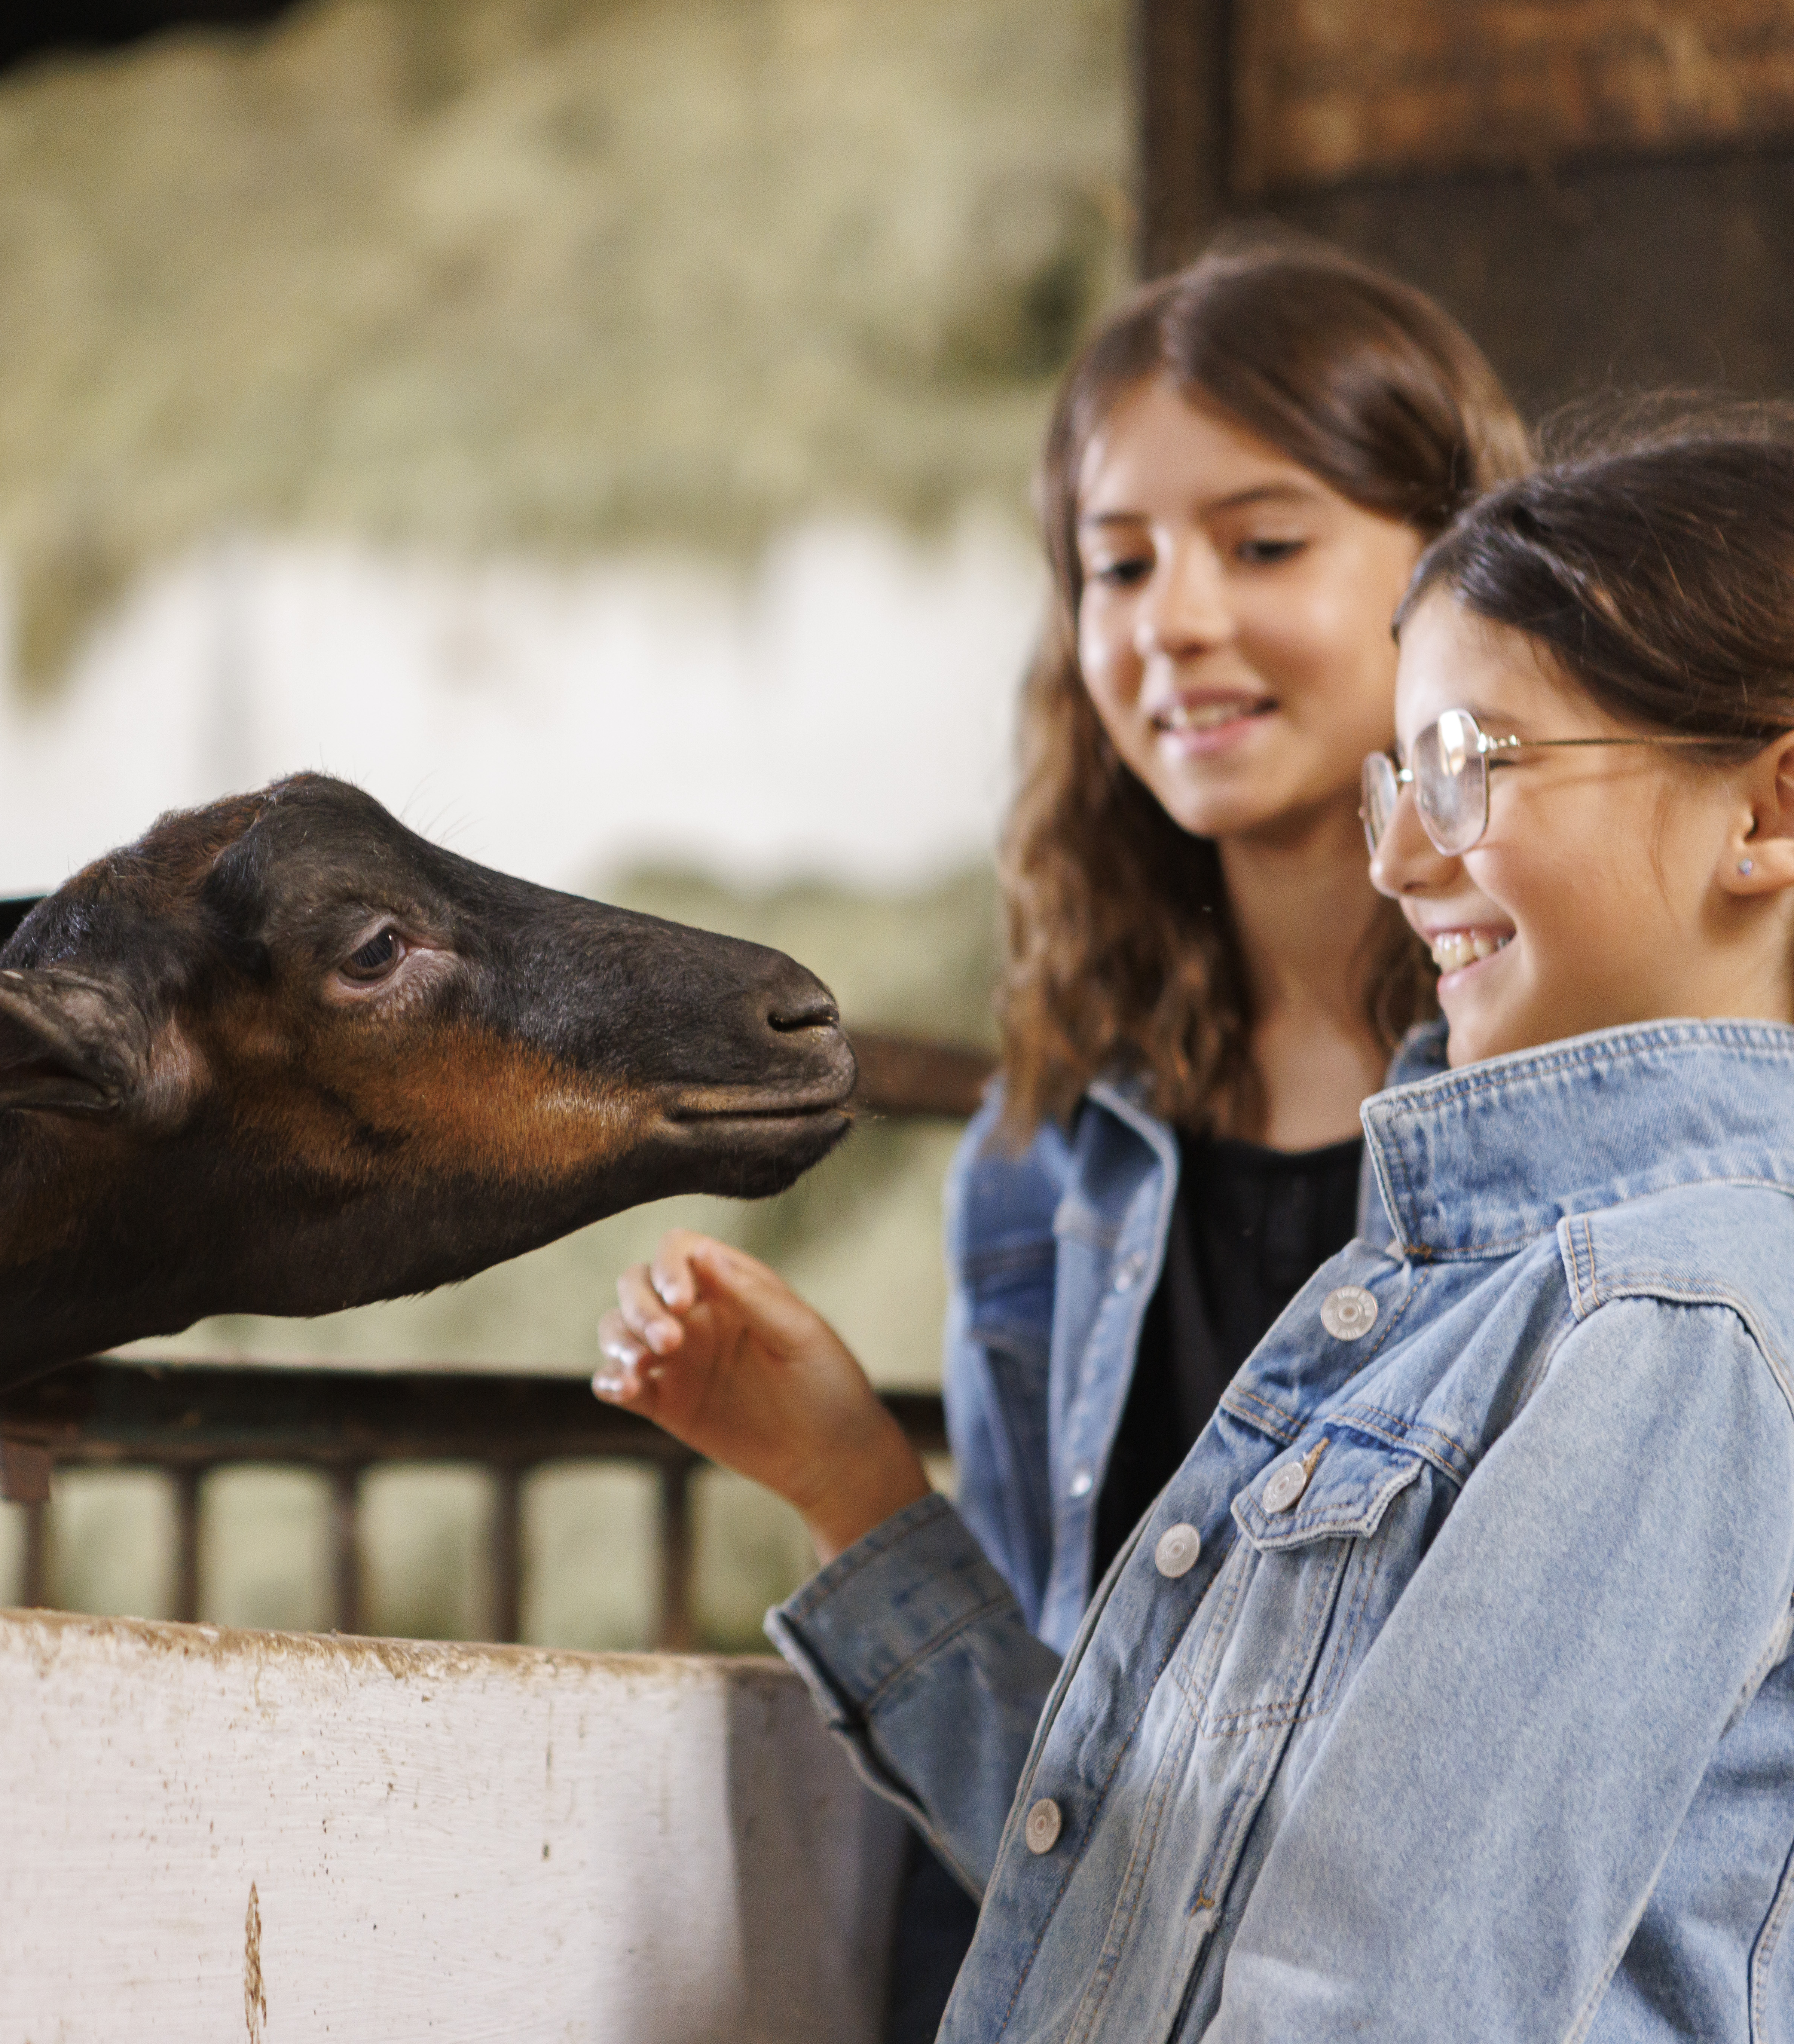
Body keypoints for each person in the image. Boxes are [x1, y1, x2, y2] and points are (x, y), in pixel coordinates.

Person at [600, 416, 1794, 2033]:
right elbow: (1156, 1911)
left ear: (1781, 812)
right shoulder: (1519, 1293)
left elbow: (1367, 2001)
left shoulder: (1674, 1329)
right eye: (1402, 774)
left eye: (1471, 765)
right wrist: (851, 1490)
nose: (1393, 851)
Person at [620, 239, 1537, 2035]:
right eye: (1113, 563)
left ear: (1456, 580)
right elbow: (1047, 1762)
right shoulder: (1047, 1156)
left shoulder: (1579, 1118)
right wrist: (843, 1483)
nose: (1168, 619)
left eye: (1261, 544)